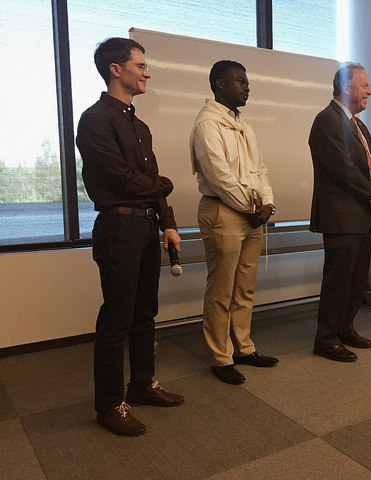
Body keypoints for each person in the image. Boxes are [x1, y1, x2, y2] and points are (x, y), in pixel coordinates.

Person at [76, 37, 184, 437]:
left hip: (145, 225)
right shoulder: (95, 119)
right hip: (117, 226)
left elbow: (151, 185)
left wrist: (168, 222)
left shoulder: (139, 125)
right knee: (116, 319)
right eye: (140, 65)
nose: (147, 72)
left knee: (145, 313)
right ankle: (108, 405)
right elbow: (117, 177)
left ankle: (141, 385)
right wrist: (165, 184)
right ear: (115, 69)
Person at [189, 60, 278, 385]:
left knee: (245, 286)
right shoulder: (207, 125)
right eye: (240, 81)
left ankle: (243, 347)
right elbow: (220, 177)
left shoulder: (243, 126)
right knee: (221, 290)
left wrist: (267, 204)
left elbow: (260, 169)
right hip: (224, 212)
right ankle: (221, 356)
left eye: (247, 80)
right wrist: (251, 207)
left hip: (252, 214)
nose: (247, 86)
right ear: (219, 84)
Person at [309, 63, 371, 362]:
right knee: (338, 280)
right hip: (341, 217)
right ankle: (326, 339)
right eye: (365, 85)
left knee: (356, 281)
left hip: (362, 215)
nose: (370, 91)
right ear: (346, 87)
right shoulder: (327, 120)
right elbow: (343, 168)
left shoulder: (359, 125)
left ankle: (345, 328)